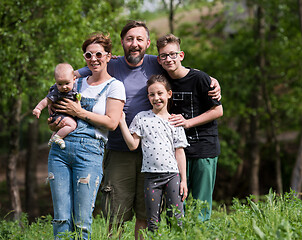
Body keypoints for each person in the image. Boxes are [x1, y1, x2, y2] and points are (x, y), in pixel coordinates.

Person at [73, 20, 221, 239]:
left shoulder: (156, 62)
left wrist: (211, 80)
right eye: (129, 39)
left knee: (147, 213)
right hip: (119, 149)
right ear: (122, 42)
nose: (134, 44)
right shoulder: (111, 64)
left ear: (148, 43)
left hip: (152, 154)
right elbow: (82, 70)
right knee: (116, 211)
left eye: (139, 39)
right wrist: (68, 77)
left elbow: (181, 67)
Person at [47, 32, 126, 239]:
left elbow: (112, 122)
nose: (94, 59)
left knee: (82, 221)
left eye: (99, 54)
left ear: (108, 56)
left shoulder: (115, 86)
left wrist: (79, 113)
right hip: (59, 151)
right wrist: (54, 122)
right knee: (61, 218)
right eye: (88, 55)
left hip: (90, 153)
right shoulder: (74, 82)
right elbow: (55, 109)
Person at [156, 33, 223, 221]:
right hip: (175, 153)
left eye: (173, 54)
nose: (169, 59)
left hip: (203, 149)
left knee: (201, 208)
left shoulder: (200, 78)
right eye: (164, 56)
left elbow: (218, 111)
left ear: (181, 55)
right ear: (159, 60)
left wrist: (188, 123)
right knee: (175, 207)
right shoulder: (162, 81)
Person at [119, 74, 188, 232]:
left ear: (168, 94)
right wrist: (122, 123)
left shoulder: (175, 121)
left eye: (160, 93)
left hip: (172, 175)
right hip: (151, 177)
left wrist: (183, 180)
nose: (156, 98)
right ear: (148, 97)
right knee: (152, 222)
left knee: (177, 219)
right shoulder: (142, 118)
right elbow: (132, 145)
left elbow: (180, 152)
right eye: (152, 94)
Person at [33, 63, 78, 149]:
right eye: (60, 84)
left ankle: (52, 139)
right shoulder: (57, 92)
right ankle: (57, 137)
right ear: (56, 81)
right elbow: (46, 100)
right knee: (72, 125)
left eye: (67, 83)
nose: (64, 87)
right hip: (58, 115)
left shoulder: (75, 86)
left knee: (67, 124)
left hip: (66, 114)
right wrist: (38, 108)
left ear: (74, 79)